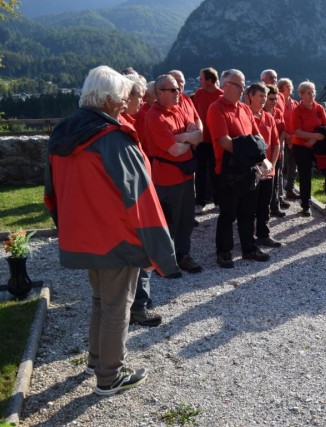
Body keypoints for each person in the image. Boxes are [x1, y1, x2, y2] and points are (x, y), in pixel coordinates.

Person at [44, 65, 180, 396]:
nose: (124, 103)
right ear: (107, 100)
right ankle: (110, 375)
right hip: (116, 238)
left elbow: (51, 194)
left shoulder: (62, 134)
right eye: (120, 97)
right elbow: (142, 199)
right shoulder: (114, 139)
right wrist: (162, 252)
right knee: (117, 306)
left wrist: (67, 229)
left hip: (82, 236)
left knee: (100, 300)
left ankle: (96, 360)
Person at [207, 69, 270, 268]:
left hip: (248, 169)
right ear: (225, 86)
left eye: (243, 85)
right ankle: (224, 251)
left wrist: (259, 157)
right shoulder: (216, 108)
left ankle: (249, 248)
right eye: (238, 85)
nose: (242, 89)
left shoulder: (244, 109)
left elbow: (259, 139)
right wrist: (251, 149)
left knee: (247, 212)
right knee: (228, 213)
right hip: (227, 171)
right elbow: (224, 142)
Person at [145, 74, 204, 273]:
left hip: (186, 174)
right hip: (167, 178)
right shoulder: (154, 116)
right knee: (169, 220)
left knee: (186, 218)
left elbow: (199, 136)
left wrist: (181, 137)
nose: (178, 92)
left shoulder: (179, 109)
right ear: (159, 93)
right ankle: (165, 262)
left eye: (178, 89)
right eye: (172, 90)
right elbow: (175, 150)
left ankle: (183, 255)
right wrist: (188, 137)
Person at [120, 73, 165, 327]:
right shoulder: (121, 128)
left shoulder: (128, 122)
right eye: (140, 95)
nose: (144, 100)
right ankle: (137, 306)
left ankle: (140, 302)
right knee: (140, 254)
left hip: (141, 197)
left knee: (142, 256)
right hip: (134, 203)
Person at [292, 80, 326, 217]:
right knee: (305, 175)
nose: (312, 94)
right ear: (301, 94)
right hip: (302, 147)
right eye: (308, 92)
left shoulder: (319, 108)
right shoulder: (297, 110)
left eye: (313, 91)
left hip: (318, 145)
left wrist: (314, 138)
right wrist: (315, 136)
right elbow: (297, 132)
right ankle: (305, 205)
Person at [247, 82, 282, 248]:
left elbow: (275, 144)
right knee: (249, 204)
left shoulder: (268, 117)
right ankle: (247, 238)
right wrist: (257, 167)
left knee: (265, 204)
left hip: (268, 170)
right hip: (252, 170)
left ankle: (263, 234)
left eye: (265, 96)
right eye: (260, 96)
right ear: (251, 96)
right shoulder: (245, 116)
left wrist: (272, 165)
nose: (264, 99)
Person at [192, 67, 224, 212]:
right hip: (201, 140)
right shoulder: (199, 94)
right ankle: (200, 201)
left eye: (201, 79)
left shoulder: (222, 96)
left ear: (209, 81)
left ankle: (218, 200)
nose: (199, 81)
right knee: (200, 172)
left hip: (217, 141)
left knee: (217, 171)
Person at [263, 84, 290, 217]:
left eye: (275, 99)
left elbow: (283, 130)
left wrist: (278, 144)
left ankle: (275, 206)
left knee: (276, 179)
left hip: (277, 150)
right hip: (264, 152)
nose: (274, 102)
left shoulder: (278, 112)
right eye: (271, 99)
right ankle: (263, 209)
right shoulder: (259, 112)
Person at [278, 78, 299, 200]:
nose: (290, 87)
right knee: (281, 166)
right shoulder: (278, 102)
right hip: (282, 137)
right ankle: (279, 193)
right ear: (281, 88)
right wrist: (285, 135)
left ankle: (290, 189)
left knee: (293, 166)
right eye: (287, 86)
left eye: (291, 85)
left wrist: (293, 136)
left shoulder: (295, 103)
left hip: (294, 137)